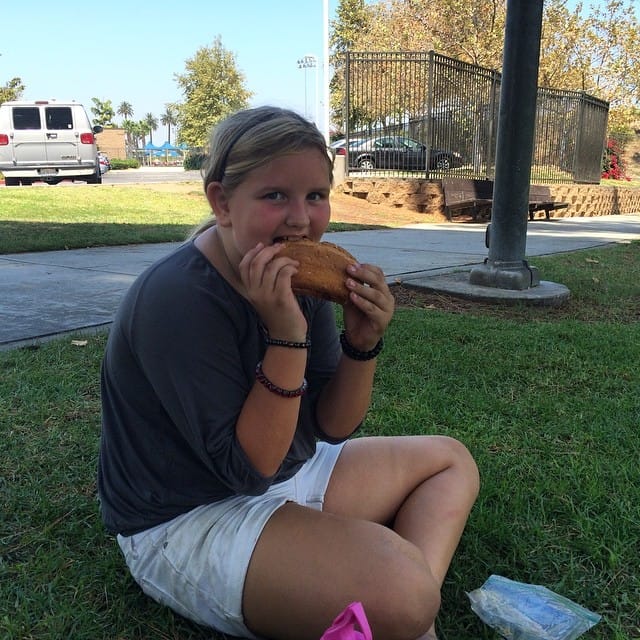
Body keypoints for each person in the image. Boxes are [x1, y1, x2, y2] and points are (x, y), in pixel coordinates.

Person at [98, 105, 479, 640]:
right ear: (222, 202)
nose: (301, 219)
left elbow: (331, 426)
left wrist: (362, 345)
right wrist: (285, 333)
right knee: (404, 591)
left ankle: (396, 606)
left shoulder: (298, 272)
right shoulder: (176, 298)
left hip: (284, 474)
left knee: (449, 462)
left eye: (316, 196)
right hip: (186, 518)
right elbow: (248, 468)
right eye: (276, 195)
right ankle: (398, 604)